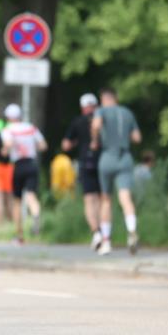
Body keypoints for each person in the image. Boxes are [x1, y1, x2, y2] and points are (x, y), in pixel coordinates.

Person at [91, 87, 142, 256]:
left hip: (107, 157)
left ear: (103, 99)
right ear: (116, 98)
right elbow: (137, 138)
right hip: (125, 158)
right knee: (125, 197)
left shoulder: (101, 111)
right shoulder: (127, 113)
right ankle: (132, 230)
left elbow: (96, 125)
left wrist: (95, 140)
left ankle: (106, 241)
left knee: (106, 200)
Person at [0, 104, 47, 245]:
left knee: (17, 201)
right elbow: (43, 146)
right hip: (32, 164)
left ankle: (19, 235)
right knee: (31, 195)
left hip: (18, 165)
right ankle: (36, 214)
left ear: (8, 117)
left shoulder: (8, 130)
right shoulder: (30, 127)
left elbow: (8, 144)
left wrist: (4, 151)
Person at [62, 93, 103, 249]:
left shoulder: (77, 122)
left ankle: (96, 232)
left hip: (86, 162)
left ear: (82, 107)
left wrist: (76, 141)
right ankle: (104, 232)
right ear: (96, 105)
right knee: (101, 199)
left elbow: (65, 145)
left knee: (89, 199)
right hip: (102, 161)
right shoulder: (102, 120)